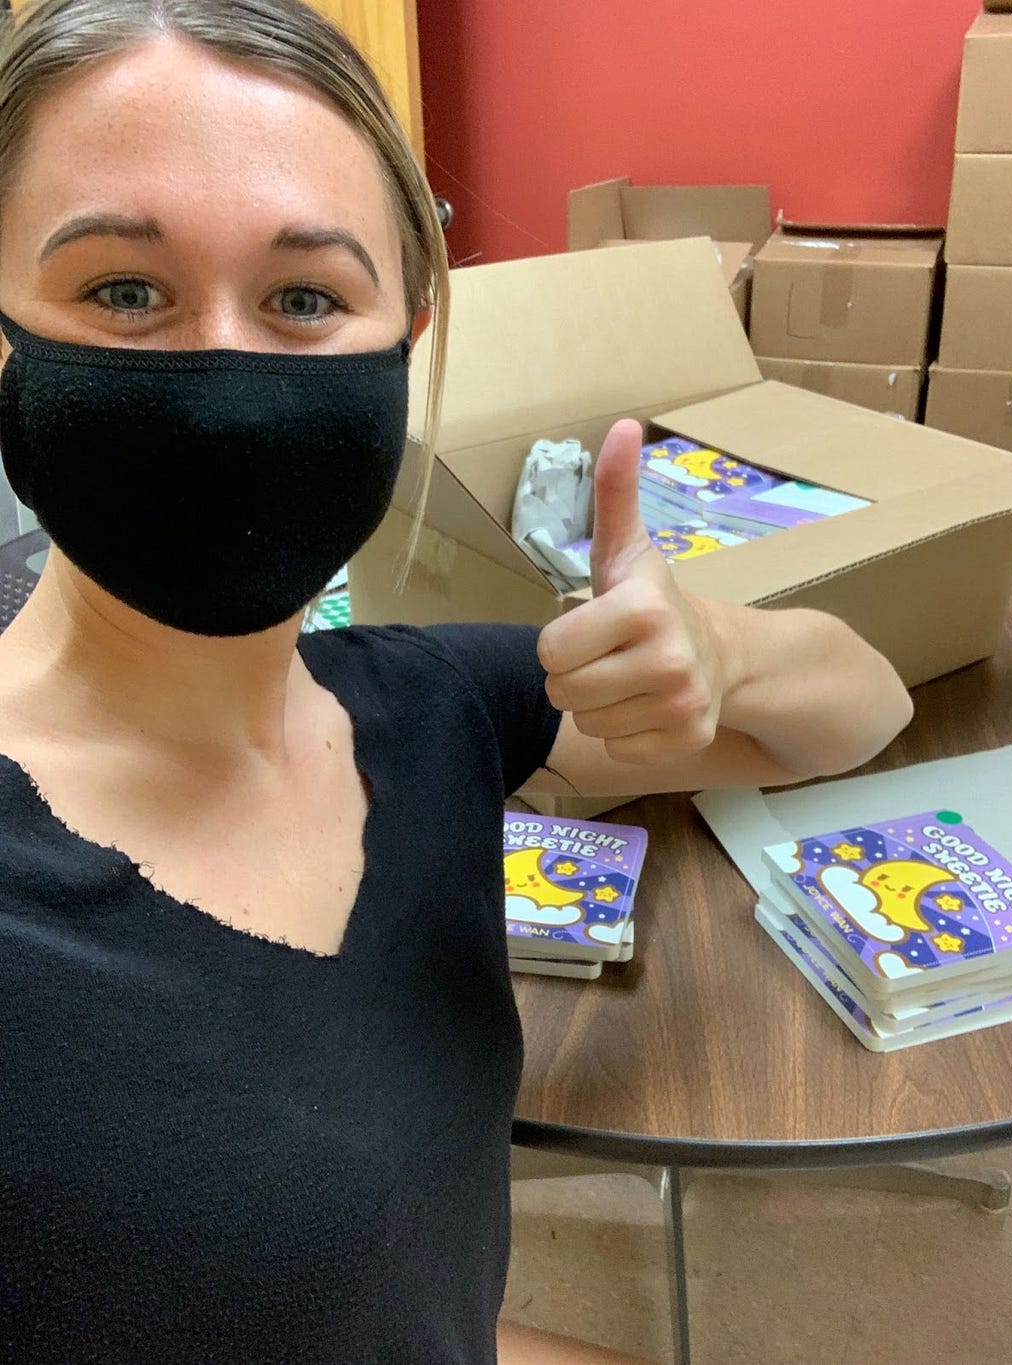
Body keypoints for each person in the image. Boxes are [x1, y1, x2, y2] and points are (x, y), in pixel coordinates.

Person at [0, 2, 914, 1362]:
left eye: (306, 297)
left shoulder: (429, 709)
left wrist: (716, 650)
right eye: (125, 291)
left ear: (409, 340)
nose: (225, 374)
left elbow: (861, 707)